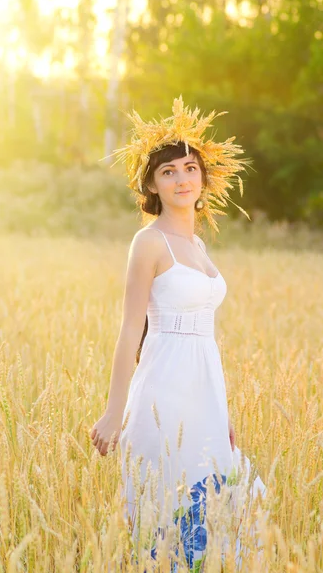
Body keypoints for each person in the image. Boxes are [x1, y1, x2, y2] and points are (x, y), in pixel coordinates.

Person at [89, 97, 267, 571]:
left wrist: (220, 412)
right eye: (168, 171)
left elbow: (205, 340)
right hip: (162, 397)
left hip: (204, 397)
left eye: (190, 168)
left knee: (235, 504)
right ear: (151, 183)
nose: (182, 178)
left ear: (204, 180)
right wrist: (113, 412)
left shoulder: (199, 244)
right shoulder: (148, 242)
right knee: (170, 525)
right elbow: (131, 328)